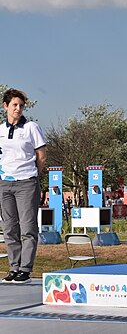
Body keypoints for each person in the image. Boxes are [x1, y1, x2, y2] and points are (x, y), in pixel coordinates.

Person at [0, 88, 46, 283]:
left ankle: (25, 268)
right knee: (9, 228)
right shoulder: (1, 129)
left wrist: (34, 175)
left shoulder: (31, 128)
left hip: (26, 182)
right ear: (5, 107)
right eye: (14, 105)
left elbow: (41, 156)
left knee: (28, 227)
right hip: (5, 184)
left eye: (21, 105)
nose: (18, 109)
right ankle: (13, 267)